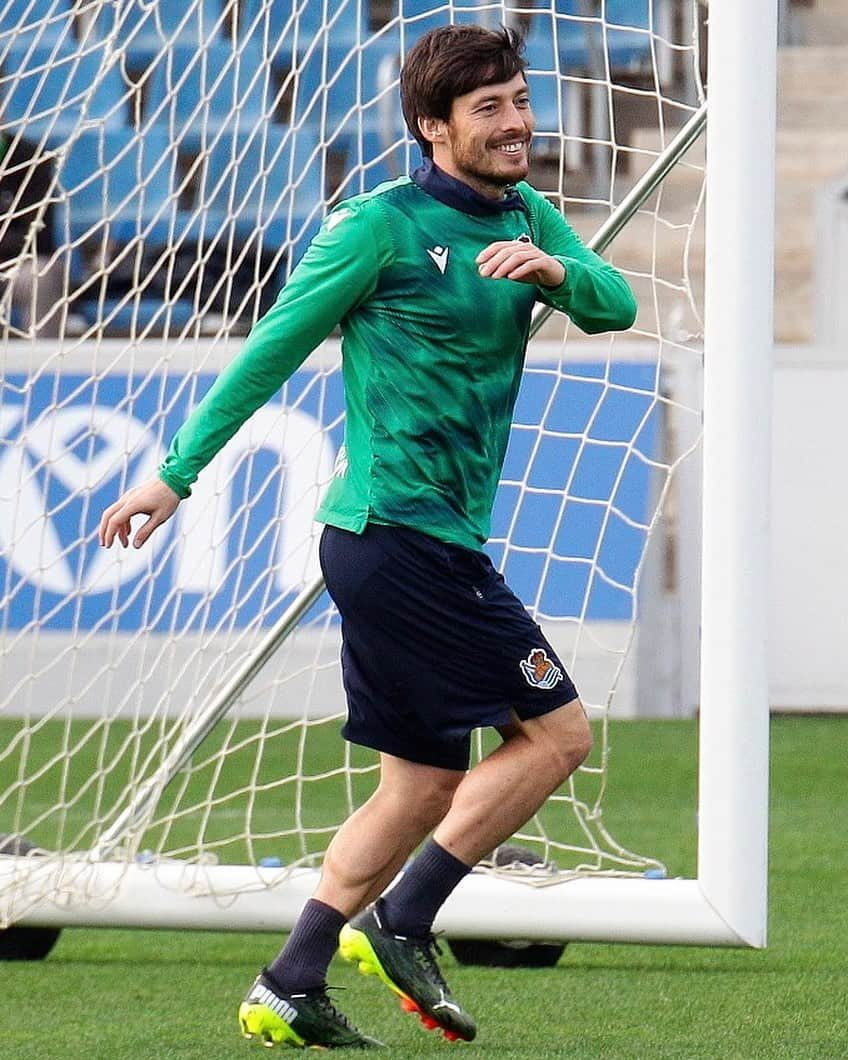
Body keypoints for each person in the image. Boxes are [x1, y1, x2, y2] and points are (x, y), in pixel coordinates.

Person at [100, 24, 637, 1051]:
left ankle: (290, 979)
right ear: (431, 130)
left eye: (519, 100)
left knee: (420, 784)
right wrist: (172, 476)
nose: (517, 121)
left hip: (419, 540)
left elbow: (609, 302)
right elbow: (272, 349)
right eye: (488, 109)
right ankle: (404, 915)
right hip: (397, 536)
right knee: (557, 734)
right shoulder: (377, 227)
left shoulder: (526, 214)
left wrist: (559, 275)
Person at [0, 131, 62, 337]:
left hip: (18, 263)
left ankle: (42, 362)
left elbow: (38, 234)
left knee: (40, 276)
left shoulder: (32, 159)